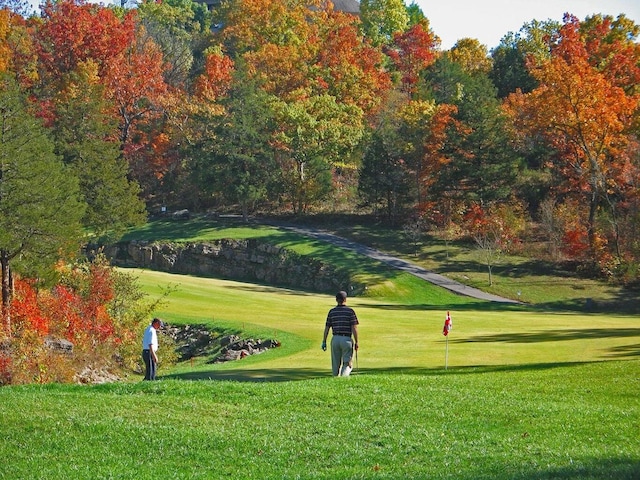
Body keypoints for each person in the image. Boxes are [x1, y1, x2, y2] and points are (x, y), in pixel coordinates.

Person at [322, 291, 359, 376]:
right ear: (345, 299)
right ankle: (343, 378)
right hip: (346, 339)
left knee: (335, 364)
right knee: (347, 363)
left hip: (335, 339)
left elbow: (327, 327)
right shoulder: (350, 312)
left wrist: (324, 341)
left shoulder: (332, 312)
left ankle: (335, 379)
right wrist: (357, 342)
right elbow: (354, 327)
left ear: (336, 300)